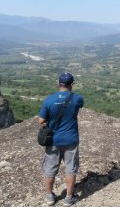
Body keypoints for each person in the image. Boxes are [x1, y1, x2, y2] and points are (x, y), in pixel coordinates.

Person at [38, 72, 84, 206]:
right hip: (71, 140)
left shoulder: (49, 100)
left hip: (53, 141)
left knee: (50, 170)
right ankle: (69, 199)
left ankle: (50, 197)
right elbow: (78, 107)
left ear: (59, 84)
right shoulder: (77, 99)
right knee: (71, 169)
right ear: (72, 84)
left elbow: (41, 121)